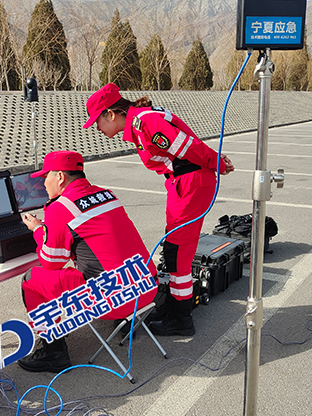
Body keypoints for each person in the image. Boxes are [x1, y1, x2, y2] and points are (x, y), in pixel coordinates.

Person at [83, 83, 235, 336]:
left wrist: (216, 162)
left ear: (111, 114)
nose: (97, 128)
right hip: (182, 184)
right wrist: (215, 161)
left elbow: (187, 146)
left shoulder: (146, 123)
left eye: (97, 122)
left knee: (178, 254)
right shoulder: (140, 123)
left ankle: (181, 317)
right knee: (174, 249)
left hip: (190, 184)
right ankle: (174, 306)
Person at [19, 150, 157, 373]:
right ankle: (127, 324)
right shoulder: (107, 194)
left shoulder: (60, 208)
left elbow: (51, 262)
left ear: (60, 177)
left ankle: (53, 353)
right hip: (147, 288)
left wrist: (38, 230)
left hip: (116, 301)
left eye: (46, 177)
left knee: (31, 279)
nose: (43, 184)